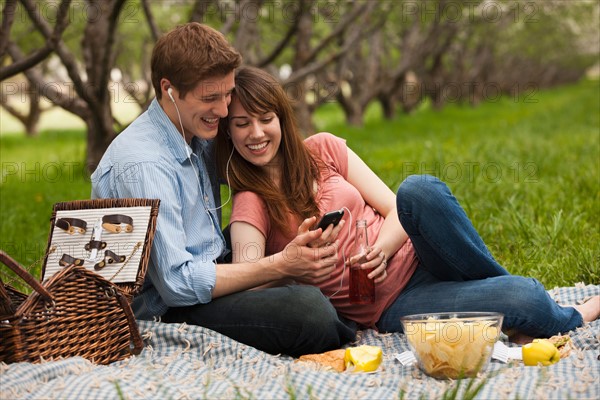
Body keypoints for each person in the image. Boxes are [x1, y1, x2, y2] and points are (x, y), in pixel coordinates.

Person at [216, 66, 600, 342]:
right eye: (241, 123)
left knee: (419, 188)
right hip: (394, 303)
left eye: (265, 119)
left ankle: (495, 290)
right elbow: (248, 280)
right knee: (525, 298)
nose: (256, 133)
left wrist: (382, 251)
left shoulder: (323, 149)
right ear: (228, 131)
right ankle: (557, 310)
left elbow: (397, 207)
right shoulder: (251, 200)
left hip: (419, 253)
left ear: (282, 119)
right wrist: (292, 269)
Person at [91, 23, 356, 357]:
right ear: (168, 89)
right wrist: (280, 266)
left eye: (227, 93)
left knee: (291, 260)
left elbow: (261, 164)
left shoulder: (197, 131)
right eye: (210, 98)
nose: (224, 109)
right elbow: (177, 285)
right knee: (307, 310)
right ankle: (343, 322)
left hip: (212, 264)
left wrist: (333, 166)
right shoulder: (145, 165)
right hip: (167, 309)